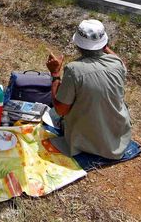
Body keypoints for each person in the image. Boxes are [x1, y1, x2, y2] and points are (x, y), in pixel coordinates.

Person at [45, 19, 131, 160]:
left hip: (88, 142)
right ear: (104, 42)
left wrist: (55, 74)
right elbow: (116, 59)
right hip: (118, 138)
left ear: (77, 44)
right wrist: (100, 43)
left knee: (54, 113)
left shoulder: (74, 69)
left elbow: (61, 110)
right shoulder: (117, 63)